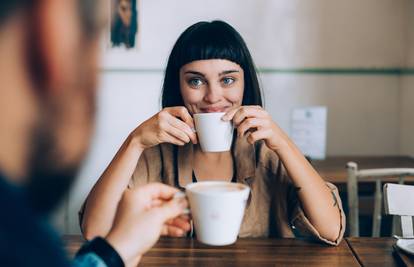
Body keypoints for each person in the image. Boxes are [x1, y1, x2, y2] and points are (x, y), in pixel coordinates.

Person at [81, 20, 346, 245]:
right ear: (179, 86)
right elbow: (95, 231)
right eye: (195, 81)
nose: (213, 96)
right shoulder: (156, 151)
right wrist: (135, 141)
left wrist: (284, 143)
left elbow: (331, 230)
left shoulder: (266, 150)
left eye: (227, 80)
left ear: (245, 84)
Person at [0, 0, 188, 266]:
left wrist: (117, 251)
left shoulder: (24, 240)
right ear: (55, 31)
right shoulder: (26, 245)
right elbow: (93, 229)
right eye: (96, 33)